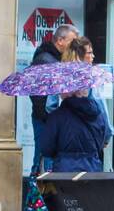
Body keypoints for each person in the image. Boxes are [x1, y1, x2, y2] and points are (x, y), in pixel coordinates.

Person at [28, 22, 78, 173]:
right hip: (46, 120)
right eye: (72, 42)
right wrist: (49, 118)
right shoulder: (47, 61)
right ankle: (38, 190)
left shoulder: (55, 60)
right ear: (60, 41)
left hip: (48, 119)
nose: (74, 46)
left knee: (44, 156)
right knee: (44, 157)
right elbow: (41, 98)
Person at [58, 36, 113, 160]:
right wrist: (107, 135)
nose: (93, 56)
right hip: (89, 139)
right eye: (89, 52)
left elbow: (50, 106)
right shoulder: (92, 77)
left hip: (66, 140)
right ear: (79, 55)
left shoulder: (60, 76)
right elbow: (102, 109)